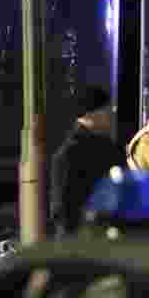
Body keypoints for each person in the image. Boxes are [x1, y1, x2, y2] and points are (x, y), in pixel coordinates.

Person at [49, 86, 126, 236]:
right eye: (107, 109)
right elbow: (64, 209)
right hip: (88, 242)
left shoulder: (107, 148)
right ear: (91, 113)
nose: (112, 114)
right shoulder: (72, 153)